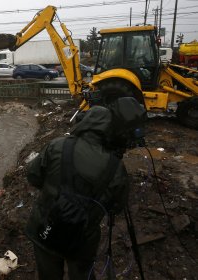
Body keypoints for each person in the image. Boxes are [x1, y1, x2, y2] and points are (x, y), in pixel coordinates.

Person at [25, 97, 147, 280]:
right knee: (81, 274)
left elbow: (33, 176)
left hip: (45, 227)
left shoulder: (57, 145)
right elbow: (116, 208)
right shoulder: (115, 167)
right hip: (81, 241)